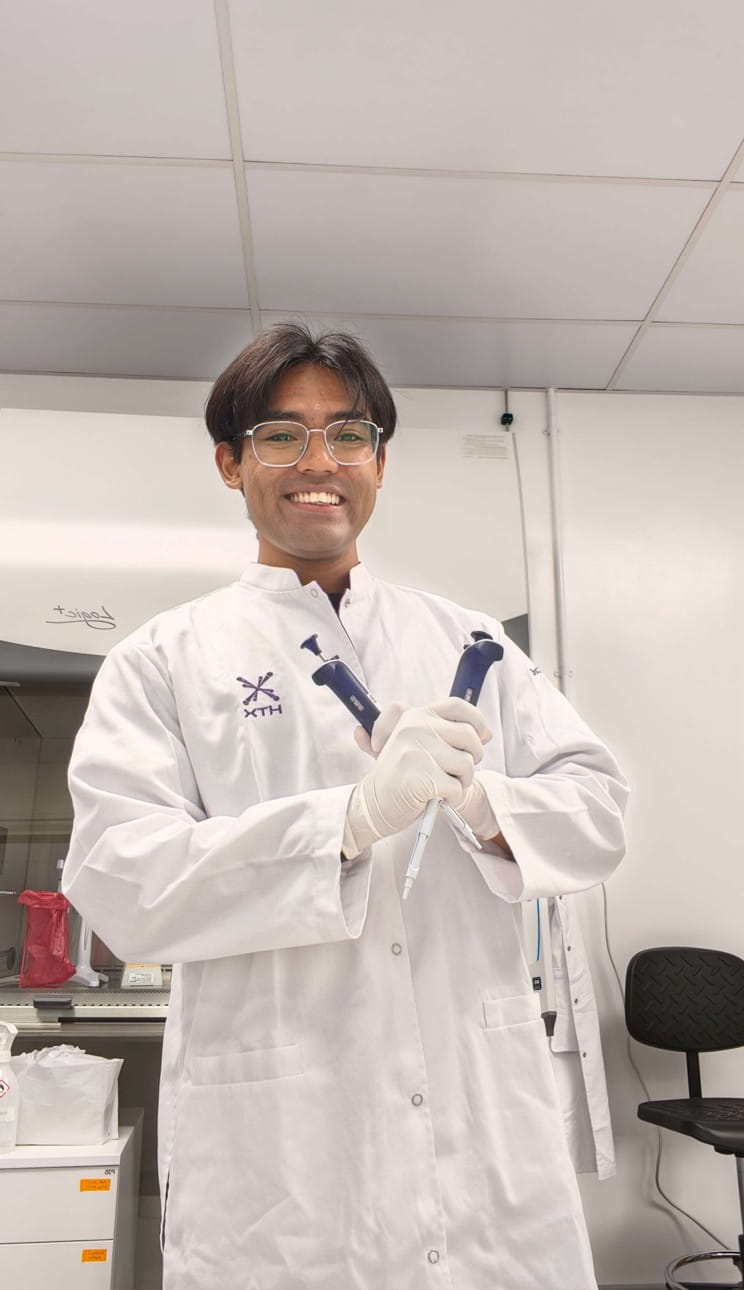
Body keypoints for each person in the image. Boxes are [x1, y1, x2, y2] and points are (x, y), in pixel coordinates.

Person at [64, 323, 628, 1290]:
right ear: (229, 463)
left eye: (349, 435)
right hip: (285, 1158)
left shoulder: (469, 639)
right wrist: (347, 821)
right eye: (282, 436)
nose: (318, 463)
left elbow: (599, 811)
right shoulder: (163, 659)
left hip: (478, 1119)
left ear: (379, 463)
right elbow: (122, 880)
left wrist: (484, 801)